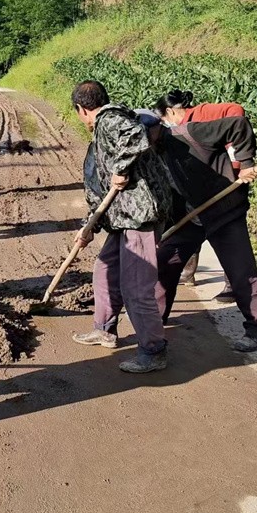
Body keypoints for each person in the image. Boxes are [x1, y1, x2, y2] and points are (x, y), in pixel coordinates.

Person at [144, 111, 257, 352]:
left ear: (157, 128)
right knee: (164, 264)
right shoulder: (149, 155)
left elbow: (238, 124)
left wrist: (246, 164)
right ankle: (155, 320)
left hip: (223, 212)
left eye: (145, 135)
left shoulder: (190, 133)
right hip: (188, 220)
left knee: (241, 272)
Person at [69, 81, 172, 373]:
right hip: (122, 217)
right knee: (105, 269)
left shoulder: (110, 119)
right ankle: (104, 329)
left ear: (81, 109)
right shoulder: (102, 131)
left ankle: (153, 351)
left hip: (139, 217)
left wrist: (120, 168)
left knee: (136, 287)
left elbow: (135, 136)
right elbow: (99, 188)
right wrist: (89, 226)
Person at [155, 89, 245, 300]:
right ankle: (188, 273)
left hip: (225, 182)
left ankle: (232, 285)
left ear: (171, 111)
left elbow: (236, 111)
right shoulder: (179, 132)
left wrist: (235, 159)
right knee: (192, 226)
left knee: (227, 236)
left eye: (164, 120)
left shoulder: (203, 113)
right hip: (202, 185)